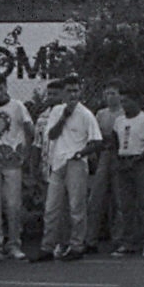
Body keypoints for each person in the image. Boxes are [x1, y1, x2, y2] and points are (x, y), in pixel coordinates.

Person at [36, 75, 103, 261]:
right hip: (58, 162)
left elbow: (97, 141)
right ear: (63, 93)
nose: (72, 94)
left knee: (76, 206)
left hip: (75, 162)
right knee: (51, 207)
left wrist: (81, 153)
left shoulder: (86, 114)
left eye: (75, 90)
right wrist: (64, 117)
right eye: (69, 91)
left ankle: (77, 245)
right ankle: (47, 246)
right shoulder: (57, 111)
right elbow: (51, 135)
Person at [0, 73, 34, 262]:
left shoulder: (18, 106)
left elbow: (30, 130)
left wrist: (24, 154)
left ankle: (14, 243)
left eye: (1, 88)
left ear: (6, 87)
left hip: (12, 160)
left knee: (13, 204)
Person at [109, 92, 144, 257]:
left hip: (141, 162)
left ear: (137, 102)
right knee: (126, 205)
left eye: (127, 101)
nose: (124, 105)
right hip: (124, 162)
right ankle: (128, 240)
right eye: (122, 101)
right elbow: (114, 143)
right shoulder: (119, 121)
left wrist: (139, 158)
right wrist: (118, 161)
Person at [85, 81, 125, 252]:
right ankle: (90, 238)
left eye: (113, 93)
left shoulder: (124, 114)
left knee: (119, 198)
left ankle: (119, 238)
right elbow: (94, 136)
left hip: (120, 156)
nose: (110, 97)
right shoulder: (100, 114)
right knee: (96, 197)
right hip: (103, 155)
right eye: (107, 93)